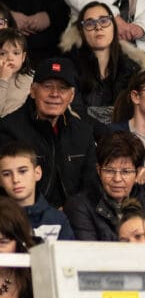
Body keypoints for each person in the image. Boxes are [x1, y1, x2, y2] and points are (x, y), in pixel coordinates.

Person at [0, 56, 97, 208]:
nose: (54, 94)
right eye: (47, 86)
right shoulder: (9, 129)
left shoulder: (83, 132)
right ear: (33, 91)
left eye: (62, 88)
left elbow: (90, 186)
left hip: (75, 215)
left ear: (71, 96)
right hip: (25, 215)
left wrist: (72, 211)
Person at [64, 131, 145, 241]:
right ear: (98, 170)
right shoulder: (79, 206)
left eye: (125, 172)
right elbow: (89, 249)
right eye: (109, 171)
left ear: (137, 173)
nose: (117, 179)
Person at [62, 0, 144, 125]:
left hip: (121, 135)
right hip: (81, 133)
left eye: (104, 21)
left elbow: (133, 116)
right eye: (90, 23)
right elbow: (73, 113)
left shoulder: (132, 69)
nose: (98, 27)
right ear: (82, 32)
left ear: (114, 27)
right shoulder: (69, 67)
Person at [0, 143, 73, 241]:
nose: (15, 180)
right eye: (6, 174)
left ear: (37, 173)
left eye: (22, 171)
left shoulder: (58, 219)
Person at [0, 29, 33, 117]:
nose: (10, 58)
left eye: (16, 53)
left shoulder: (31, 79)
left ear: (23, 57)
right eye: (2, 53)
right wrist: (3, 80)